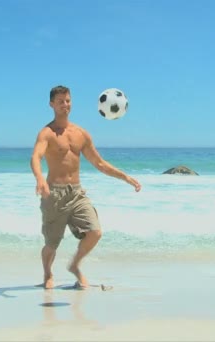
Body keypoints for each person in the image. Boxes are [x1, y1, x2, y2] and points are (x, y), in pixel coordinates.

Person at [30, 85, 141, 289]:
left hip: (77, 193)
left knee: (95, 232)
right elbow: (36, 157)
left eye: (68, 100)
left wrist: (125, 177)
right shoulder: (47, 133)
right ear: (51, 104)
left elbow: (99, 163)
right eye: (61, 101)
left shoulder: (81, 133)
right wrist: (39, 179)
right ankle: (47, 274)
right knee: (51, 244)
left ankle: (74, 265)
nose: (66, 104)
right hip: (54, 194)